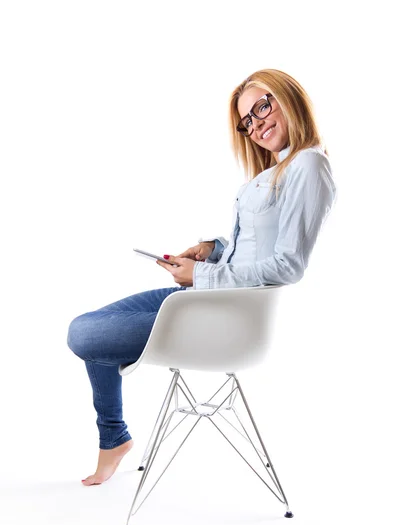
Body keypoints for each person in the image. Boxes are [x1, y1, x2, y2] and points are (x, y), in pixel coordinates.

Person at [67, 68, 337, 486]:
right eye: (247, 120)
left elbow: (288, 266)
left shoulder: (309, 166)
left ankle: (113, 438)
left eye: (263, 106)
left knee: (84, 335)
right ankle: (114, 438)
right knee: (93, 325)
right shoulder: (277, 170)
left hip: (227, 318)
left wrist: (204, 276)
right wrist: (212, 250)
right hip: (207, 299)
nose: (257, 123)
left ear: (289, 98)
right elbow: (254, 249)